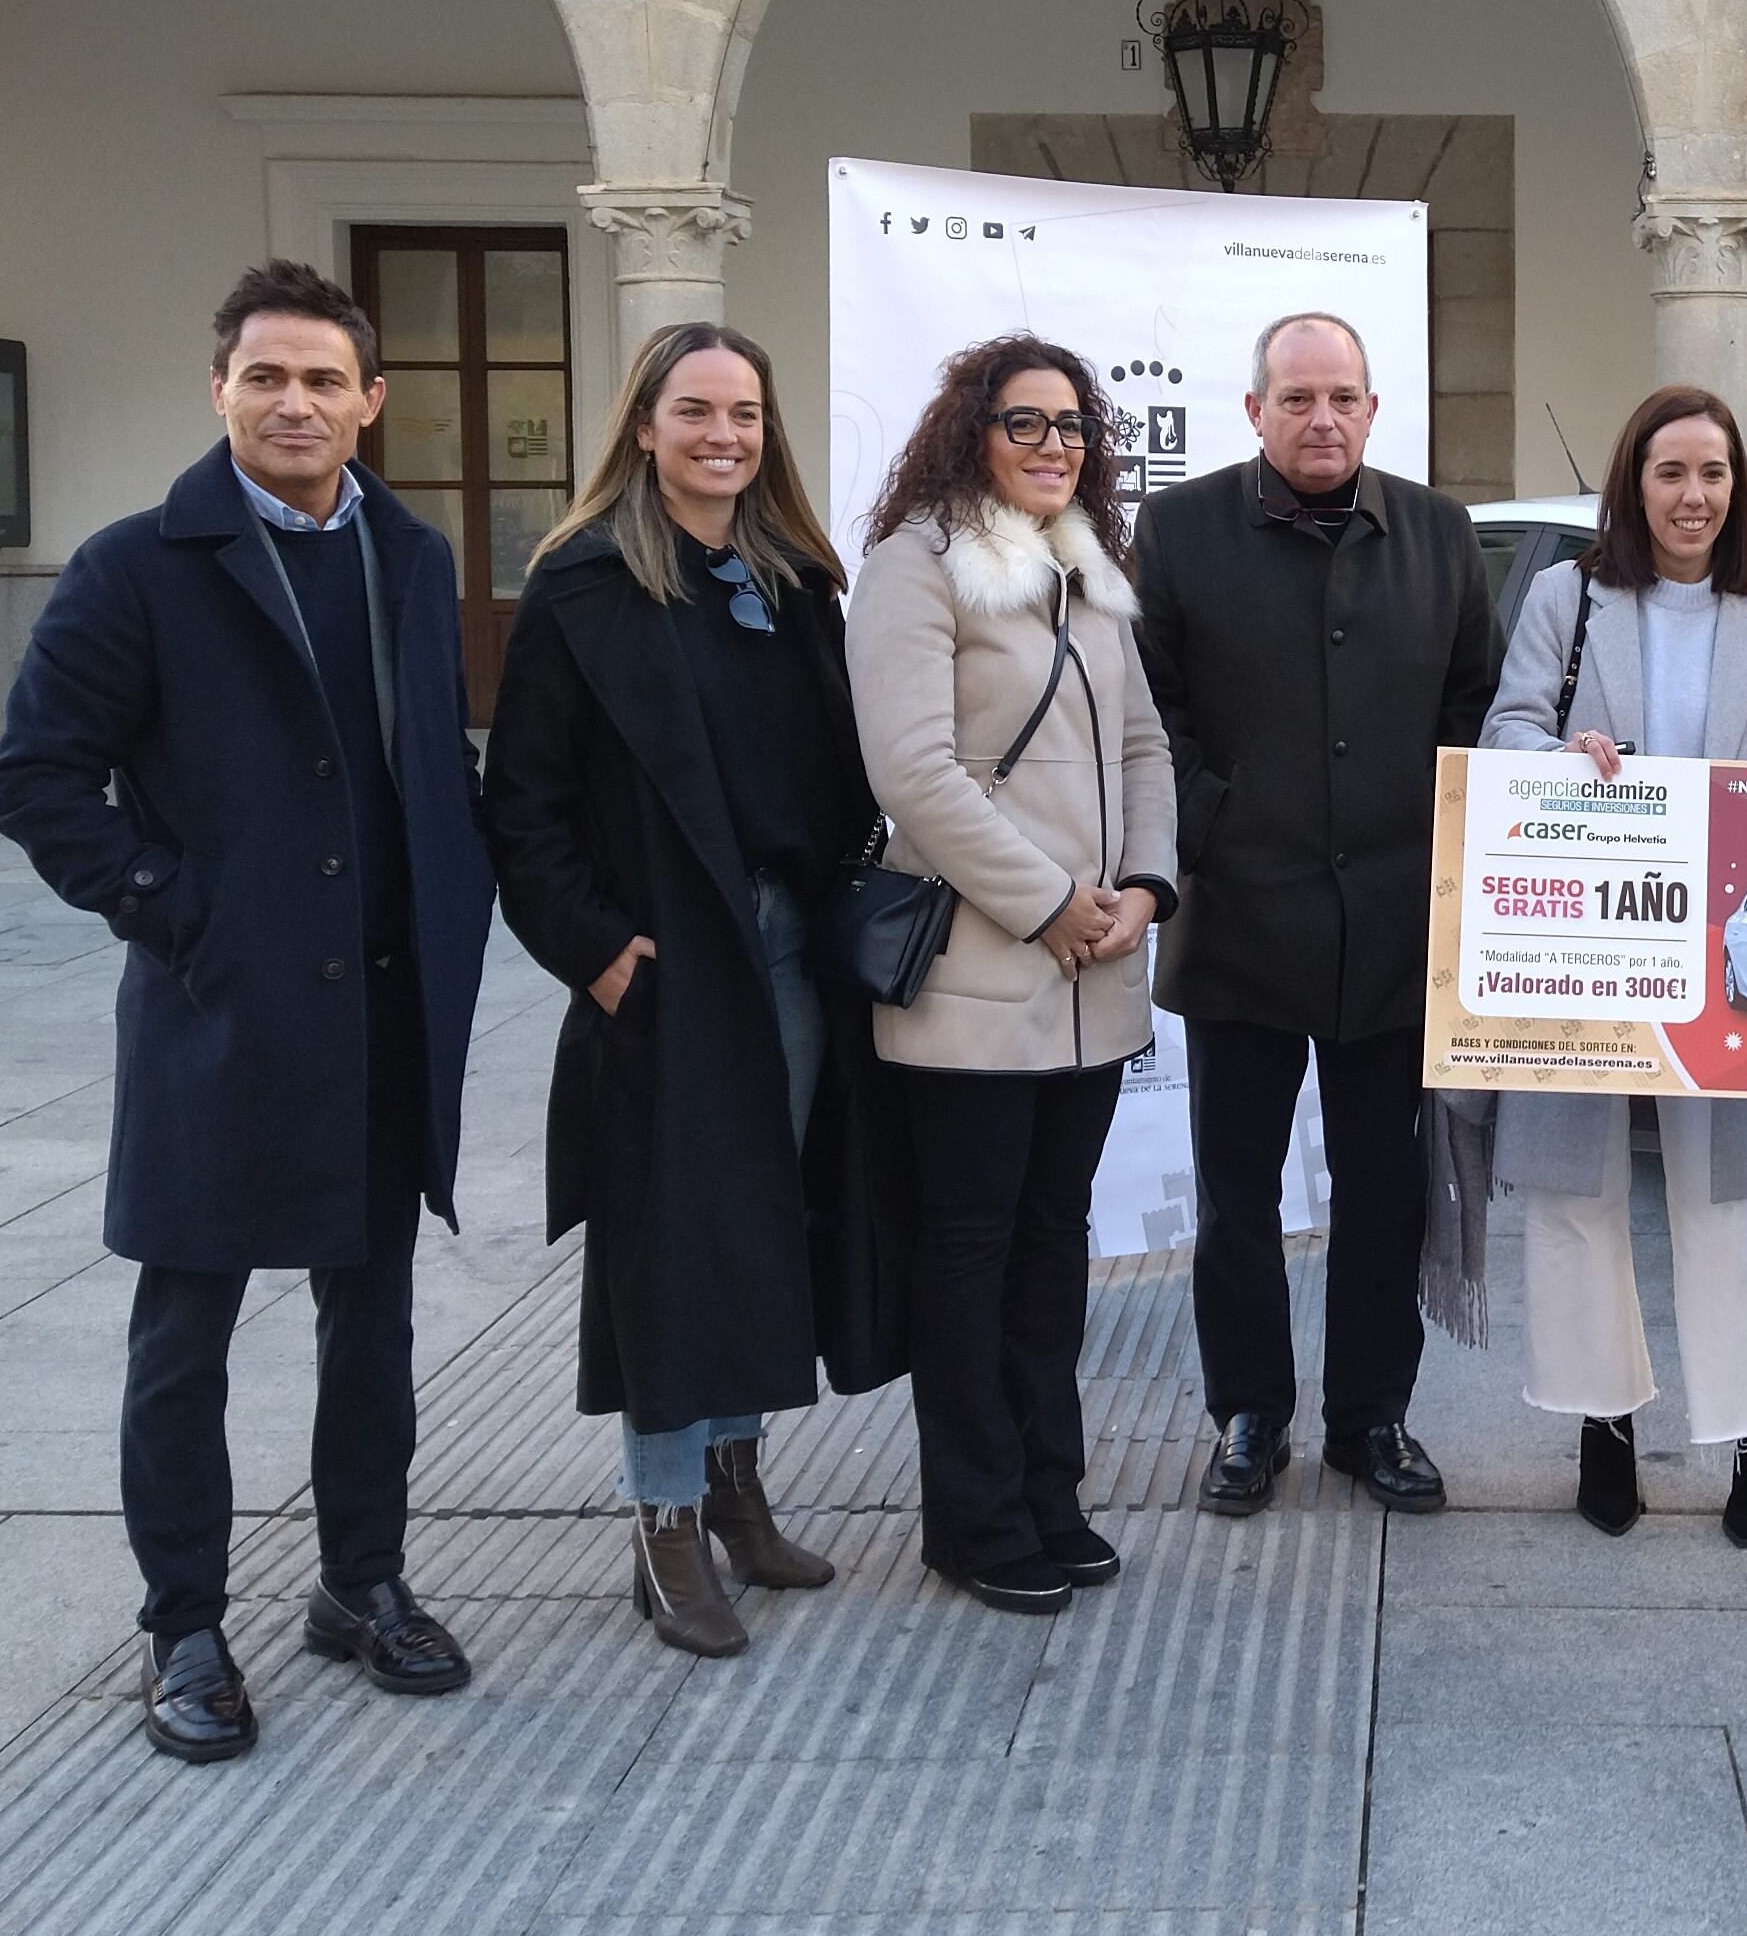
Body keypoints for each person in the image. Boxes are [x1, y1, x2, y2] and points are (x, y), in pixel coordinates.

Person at [0, 260, 491, 1763]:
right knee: (184, 1332)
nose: (295, 402)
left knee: (372, 1324)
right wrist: (175, 908)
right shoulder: (137, 565)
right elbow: (35, 779)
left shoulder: (405, 555)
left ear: (369, 402)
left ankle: (362, 1580)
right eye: (267, 376)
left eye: (324, 380)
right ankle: (185, 1622)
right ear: (220, 390)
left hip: (379, 1012)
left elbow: (417, 761)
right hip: (220, 1014)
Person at [483, 322, 870, 1658]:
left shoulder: (795, 585)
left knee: (761, 1225)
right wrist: (594, 952)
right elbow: (520, 809)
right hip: (665, 964)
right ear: (642, 427)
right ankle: (661, 1528)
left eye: (745, 413)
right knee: (665, 1243)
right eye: (695, 410)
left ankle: (736, 1490)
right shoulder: (581, 589)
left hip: (791, 954)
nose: (723, 435)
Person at [1133, 312, 1501, 1517]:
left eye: (1342, 395)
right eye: (1296, 398)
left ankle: (1370, 1417)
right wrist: (1215, 822)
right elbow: (1154, 711)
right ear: (1253, 412)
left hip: (1395, 927)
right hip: (1239, 915)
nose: (1321, 416)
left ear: (1373, 407)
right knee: (1236, 1192)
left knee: (1382, 1192)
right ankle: (1249, 1413)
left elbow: (1476, 706)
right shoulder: (1180, 530)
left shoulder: (1439, 534)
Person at [846, 335, 1178, 1615]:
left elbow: (1146, 743)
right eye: (1024, 424)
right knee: (970, 1255)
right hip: (977, 985)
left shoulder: (1088, 573)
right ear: (969, 432)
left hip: (1093, 980)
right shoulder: (913, 569)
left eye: (1072, 427)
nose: (1055, 447)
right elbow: (911, 775)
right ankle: (973, 1518)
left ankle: (1050, 1489)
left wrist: (1144, 888)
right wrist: (1049, 903)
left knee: (1050, 1252)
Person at [1481, 386, 1747, 1544]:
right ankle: (1602, 1422)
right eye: (1670, 472)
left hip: (1718, 937)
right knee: (1577, 1188)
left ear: (1736, 488)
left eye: (1712, 473)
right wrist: (1561, 748)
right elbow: (1506, 730)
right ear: (1634, 482)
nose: (1692, 495)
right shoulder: (1567, 595)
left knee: (1725, 1191)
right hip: (1589, 929)